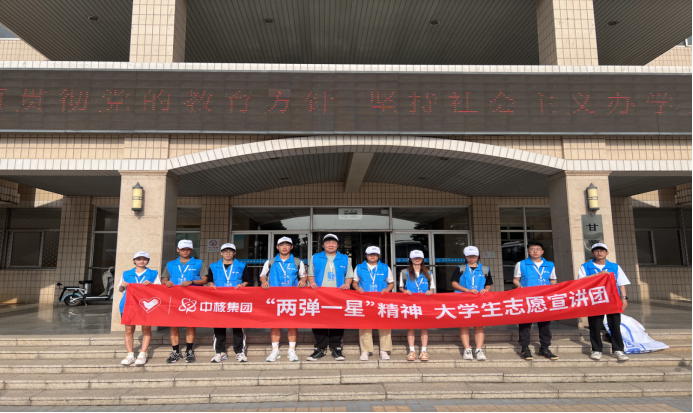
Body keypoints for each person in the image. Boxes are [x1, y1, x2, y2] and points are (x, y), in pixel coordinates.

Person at [579, 243, 630, 362]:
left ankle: (618, 350)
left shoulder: (614, 266)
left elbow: (621, 283)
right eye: (596, 251)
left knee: (615, 325)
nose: (599, 253)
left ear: (607, 253)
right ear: (592, 253)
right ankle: (596, 350)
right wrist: (598, 274)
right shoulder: (586, 266)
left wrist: (624, 298)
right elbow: (580, 281)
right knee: (595, 326)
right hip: (594, 299)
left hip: (612, 299)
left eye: (602, 250)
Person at [306, 234, 354, 361]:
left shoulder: (344, 258)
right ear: (323, 245)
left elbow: (349, 275)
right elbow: (310, 274)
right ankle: (319, 348)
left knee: (337, 321)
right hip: (319, 295)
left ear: (337, 245)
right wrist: (312, 282)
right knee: (318, 321)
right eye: (327, 242)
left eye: (333, 242)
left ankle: (336, 348)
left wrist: (347, 284)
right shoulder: (316, 257)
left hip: (338, 295)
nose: (330, 244)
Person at [259, 237, 307, 362]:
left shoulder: (297, 262)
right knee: (275, 324)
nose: (284, 247)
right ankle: (275, 351)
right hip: (275, 299)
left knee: (292, 324)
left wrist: (303, 281)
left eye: (287, 244)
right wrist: (264, 282)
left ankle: (291, 350)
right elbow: (262, 276)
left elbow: (303, 276)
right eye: (281, 244)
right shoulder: (270, 262)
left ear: (292, 247)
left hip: (292, 299)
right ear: (277, 247)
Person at [161, 239, 209, 363]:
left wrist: (192, 281)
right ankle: (175, 351)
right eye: (182, 249)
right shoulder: (171, 264)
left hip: (192, 299)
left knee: (190, 324)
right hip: (174, 298)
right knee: (174, 324)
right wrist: (166, 282)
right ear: (178, 250)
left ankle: (189, 351)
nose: (185, 251)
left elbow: (204, 280)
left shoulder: (199, 263)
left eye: (187, 249)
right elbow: (163, 279)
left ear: (191, 250)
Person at [207, 243, 253, 363]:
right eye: (225, 251)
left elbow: (248, 280)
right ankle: (220, 352)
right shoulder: (213, 266)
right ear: (221, 253)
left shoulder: (241, 266)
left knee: (237, 326)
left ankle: (239, 352)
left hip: (236, 300)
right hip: (219, 300)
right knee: (219, 326)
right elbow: (210, 280)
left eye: (230, 251)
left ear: (234, 253)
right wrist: (211, 285)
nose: (228, 253)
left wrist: (243, 285)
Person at [512, 242, 559, 361]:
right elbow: (516, 280)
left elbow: (553, 280)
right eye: (532, 249)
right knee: (525, 324)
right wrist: (520, 287)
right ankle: (524, 348)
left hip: (544, 299)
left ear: (542, 251)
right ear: (528, 251)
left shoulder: (550, 264)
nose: (535, 251)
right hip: (527, 299)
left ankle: (545, 348)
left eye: (538, 249)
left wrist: (554, 290)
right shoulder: (521, 264)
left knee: (545, 324)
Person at [119, 251, 160, 366]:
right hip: (128, 304)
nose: (141, 261)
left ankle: (142, 354)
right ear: (134, 261)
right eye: (138, 259)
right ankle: (130, 354)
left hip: (146, 305)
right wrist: (122, 286)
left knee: (146, 329)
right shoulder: (126, 273)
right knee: (129, 330)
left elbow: (158, 290)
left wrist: (151, 285)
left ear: (148, 261)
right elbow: (121, 290)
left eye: (144, 259)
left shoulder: (153, 274)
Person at [451, 246, 492, 361]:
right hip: (463, 301)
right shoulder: (460, 269)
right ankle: (467, 349)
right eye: (469, 256)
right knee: (464, 324)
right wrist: (467, 290)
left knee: (479, 325)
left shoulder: (485, 269)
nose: (471, 258)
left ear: (478, 256)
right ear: (465, 257)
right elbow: (454, 284)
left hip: (479, 301)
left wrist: (486, 290)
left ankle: (479, 350)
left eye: (474, 256)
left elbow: (488, 284)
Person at [354, 246, 394, 361]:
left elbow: (391, 283)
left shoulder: (385, 268)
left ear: (379, 256)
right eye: (370, 254)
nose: (372, 256)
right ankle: (365, 350)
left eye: (375, 254)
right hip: (365, 301)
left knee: (384, 325)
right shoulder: (359, 267)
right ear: (366, 255)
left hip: (381, 301)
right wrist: (357, 288)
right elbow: (355, 282)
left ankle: (384, 350)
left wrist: (387, 290)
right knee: (365, 324)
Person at [400, 250, 435, 362]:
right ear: (410, 259)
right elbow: (401, 287)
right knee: (411, 327)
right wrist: (404, 291)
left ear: (422, 259)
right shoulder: (404, 272)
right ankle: (412, 351)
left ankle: (423, 351)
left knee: (424, 327)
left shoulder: (428, 272)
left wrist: (430, 291)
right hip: (410, 304)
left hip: (424, 303)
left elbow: (432, 287)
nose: (417, 259)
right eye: (415, 258)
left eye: (419, 258)